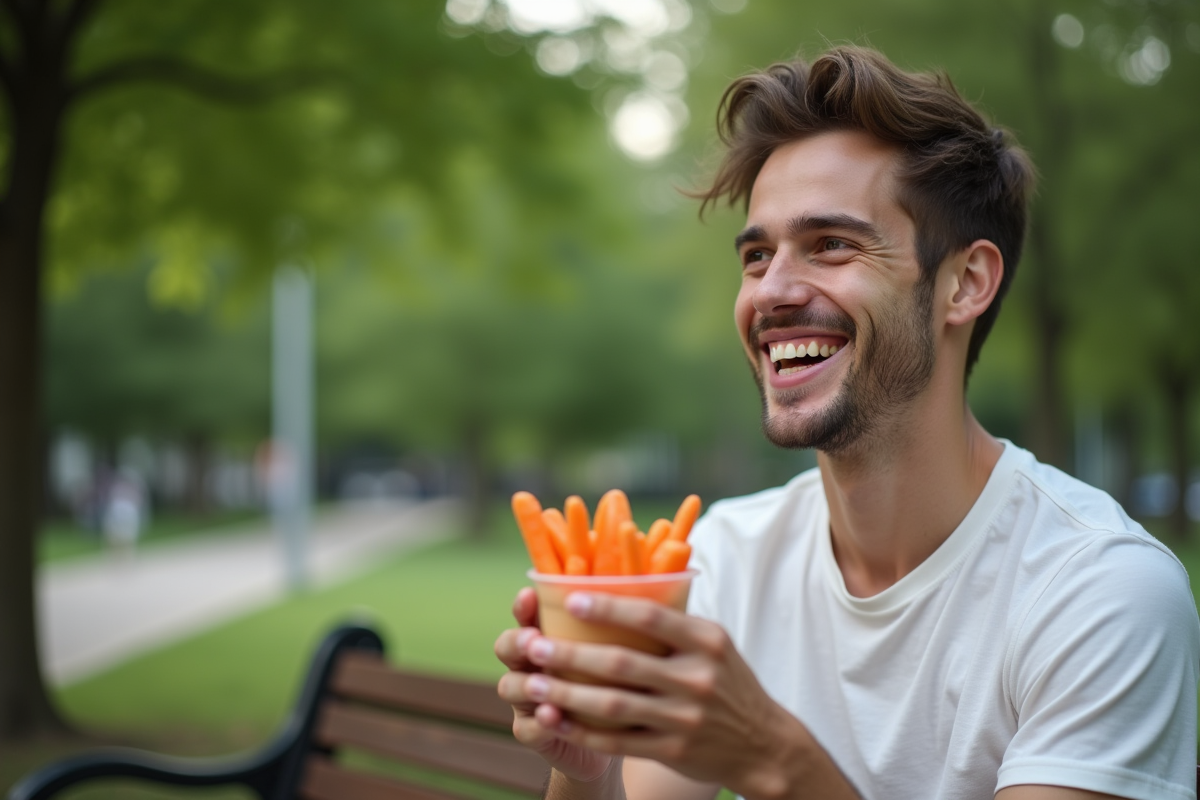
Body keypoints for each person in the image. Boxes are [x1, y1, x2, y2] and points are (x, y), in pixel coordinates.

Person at [494, 45, 1200, 800]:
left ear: (966, 283)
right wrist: (588, 772)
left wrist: (775, 759)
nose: (772, 291)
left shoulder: (1100, 594)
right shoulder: (723, 560)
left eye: (830, 244)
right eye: (758, 255)